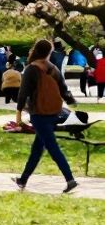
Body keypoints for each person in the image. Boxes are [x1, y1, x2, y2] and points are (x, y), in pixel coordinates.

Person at [13, 38, 79, 193]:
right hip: (54, 113)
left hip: (38, 113)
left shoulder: (31, 69)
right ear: (49, 52)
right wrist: (72, 103)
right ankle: (23, 180)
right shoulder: (53, 68)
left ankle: (70, 179)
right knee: (37, 149)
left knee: (52, 146)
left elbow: (23, 94)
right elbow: (64, 90)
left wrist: (18, 114)